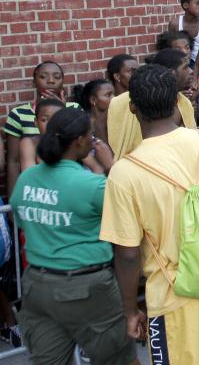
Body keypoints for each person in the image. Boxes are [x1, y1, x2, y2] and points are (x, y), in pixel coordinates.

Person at [100, 65, 199, 364]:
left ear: (132, 107)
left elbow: (128, 255)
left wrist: (130, 310)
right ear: (176, 103)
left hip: (174, 296)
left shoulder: (125, 173)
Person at [11, 107, 138, 365]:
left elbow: (20, 218)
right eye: (91, 136)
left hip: (38, 286)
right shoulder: (92, 185)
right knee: (120, 360)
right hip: (88, 289)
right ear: (79, 140)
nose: (93, 141)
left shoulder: (27, 179)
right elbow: (129, 222)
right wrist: (111, 166)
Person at [3, 61, 79, 195]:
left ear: (62, 82)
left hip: (69, 185)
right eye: (43, 77)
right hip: (36, 189)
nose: (50, 81)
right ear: (34, 82)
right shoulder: (19, 114)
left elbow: (80, 149)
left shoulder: (74, 109)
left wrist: (62, 111)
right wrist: (13, 200)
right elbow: (13, 161)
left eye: (57, 77)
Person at [108, 49, 196, 161]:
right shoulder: (120, 102)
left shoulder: (184, 103)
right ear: (171, 73)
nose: (191, 71)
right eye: (185, 67)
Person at [167, 0, 199, 64]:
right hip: (179, 63)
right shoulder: (175, 24)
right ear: (185, 5)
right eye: (198, 4)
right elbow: (170, 47)